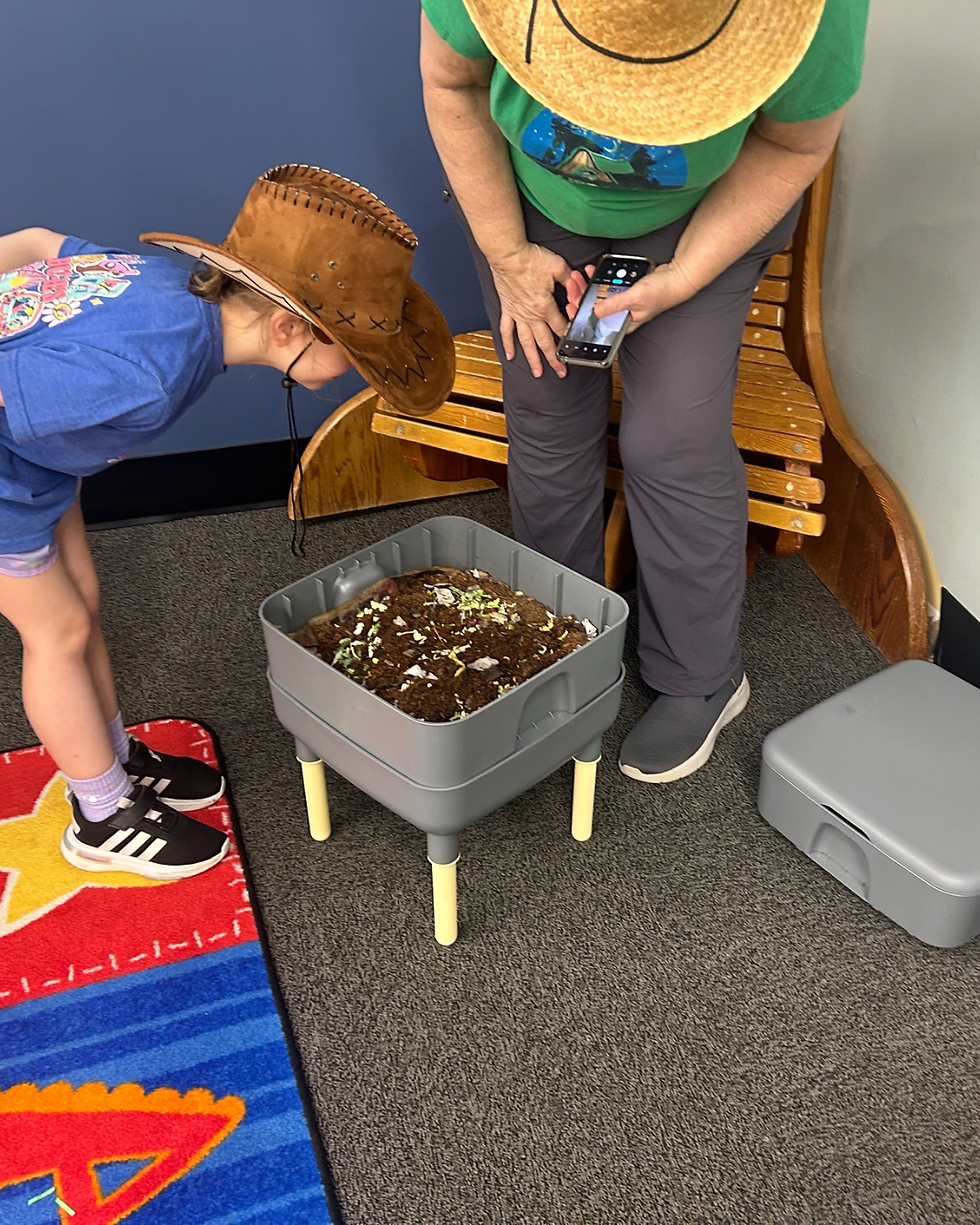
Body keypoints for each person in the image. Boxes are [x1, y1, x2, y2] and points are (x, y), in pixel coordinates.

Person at [420, 0, 869, 782]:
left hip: (704, 218)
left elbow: (797, 142)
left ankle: (702, 675)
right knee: (547, 413)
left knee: (672, 438)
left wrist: (687, 276)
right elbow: (451, 83)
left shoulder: (814, 14)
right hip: (530, 210)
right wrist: (508, 256)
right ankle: (557, 642)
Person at [0, 164, 453, 879]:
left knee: (82, 606)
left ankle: (111, 755)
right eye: (353, 351)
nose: (358, 372)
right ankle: (101, 812)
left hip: (37, 467)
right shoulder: (150, 374)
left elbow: (31, 243)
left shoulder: (161, 290)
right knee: (55, 632)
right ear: (285, 327)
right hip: (5, 484)